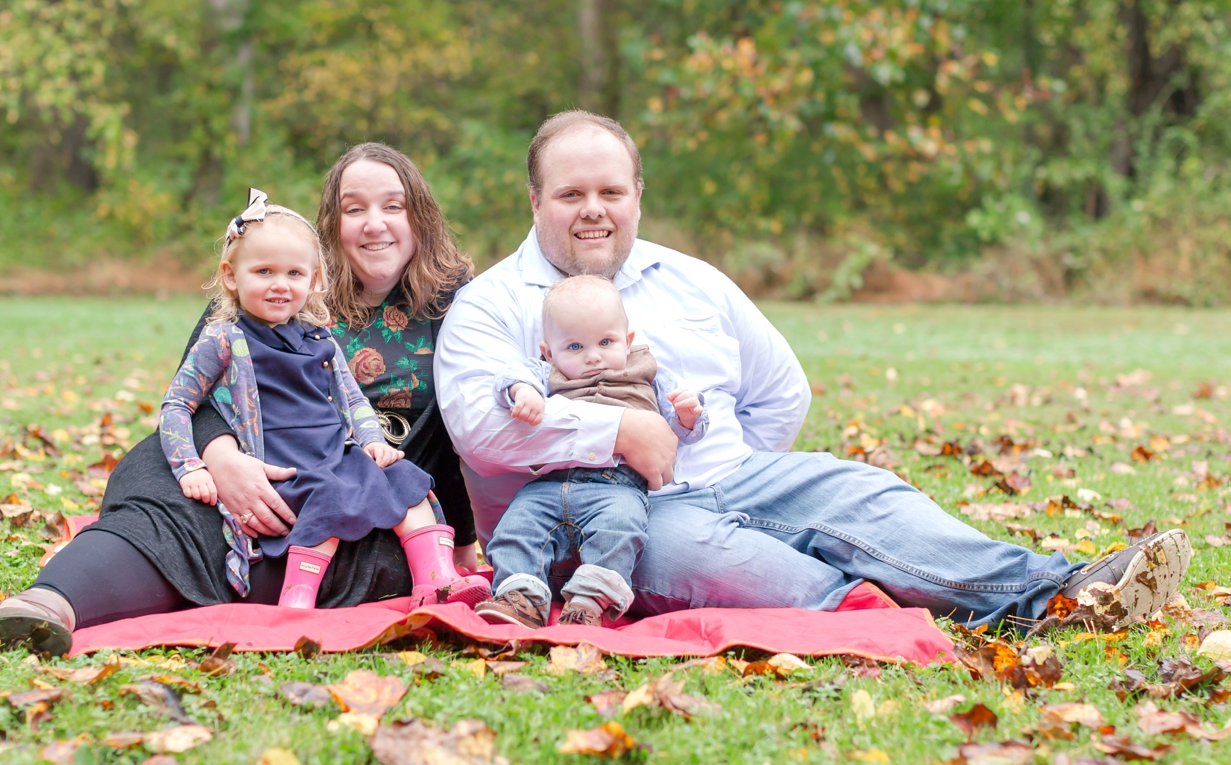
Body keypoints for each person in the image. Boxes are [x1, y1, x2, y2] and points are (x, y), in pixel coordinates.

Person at [435, 110, 1192, 631]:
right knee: (715, 557)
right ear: (535, 201)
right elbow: (483, 429)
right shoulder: (495, 302)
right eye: (570, 194)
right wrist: (622, 431)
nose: (592, 210)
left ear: (638, 196)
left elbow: (780, 392)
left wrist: (741, 476)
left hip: (732, 474)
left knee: (862, 493)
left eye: (610, 192)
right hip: (588, 522)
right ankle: (880, 617)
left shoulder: (691, 281)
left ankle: (1059, 592)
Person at [0, 144, 480, 655]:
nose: (374, 224)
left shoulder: (459, 303)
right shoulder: (263, 291)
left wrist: (461, 546)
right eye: (353, 209)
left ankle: (248, 580)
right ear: (330, 226)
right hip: (250, 464)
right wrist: (222, 457)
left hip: (359, 500)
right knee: (162, 492)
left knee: (349, 530)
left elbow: (463, 433)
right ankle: (50, 604)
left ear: (422, 217)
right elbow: (193, 396)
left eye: (394, 205)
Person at [156, 190, 487, 610]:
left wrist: (372, 441)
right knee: (328, 500)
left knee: (408, 485)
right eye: (263, 271)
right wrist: (191, 465)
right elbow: (177, 404)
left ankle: (435, 580)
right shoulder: (224, 338)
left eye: (294, 274)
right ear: (230, 276)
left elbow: (353, 401)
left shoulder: (320, 337)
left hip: (336, 453)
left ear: (312, 281)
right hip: (284, 462)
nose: (280, 285)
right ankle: (298, 595)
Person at [476, 274, 705, 629]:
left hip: (616, 488)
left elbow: (674, 434)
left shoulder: (649, 373)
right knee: (516, 524)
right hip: (549, 483)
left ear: (627, 341)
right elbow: (509, 375)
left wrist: (688, 417)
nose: (593, 357)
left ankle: (588, 603)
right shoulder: (545, 372)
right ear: (548, 352)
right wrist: (525, 392)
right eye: (575, 348)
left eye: (605, 341)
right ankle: (520, 596)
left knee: (621, 529)